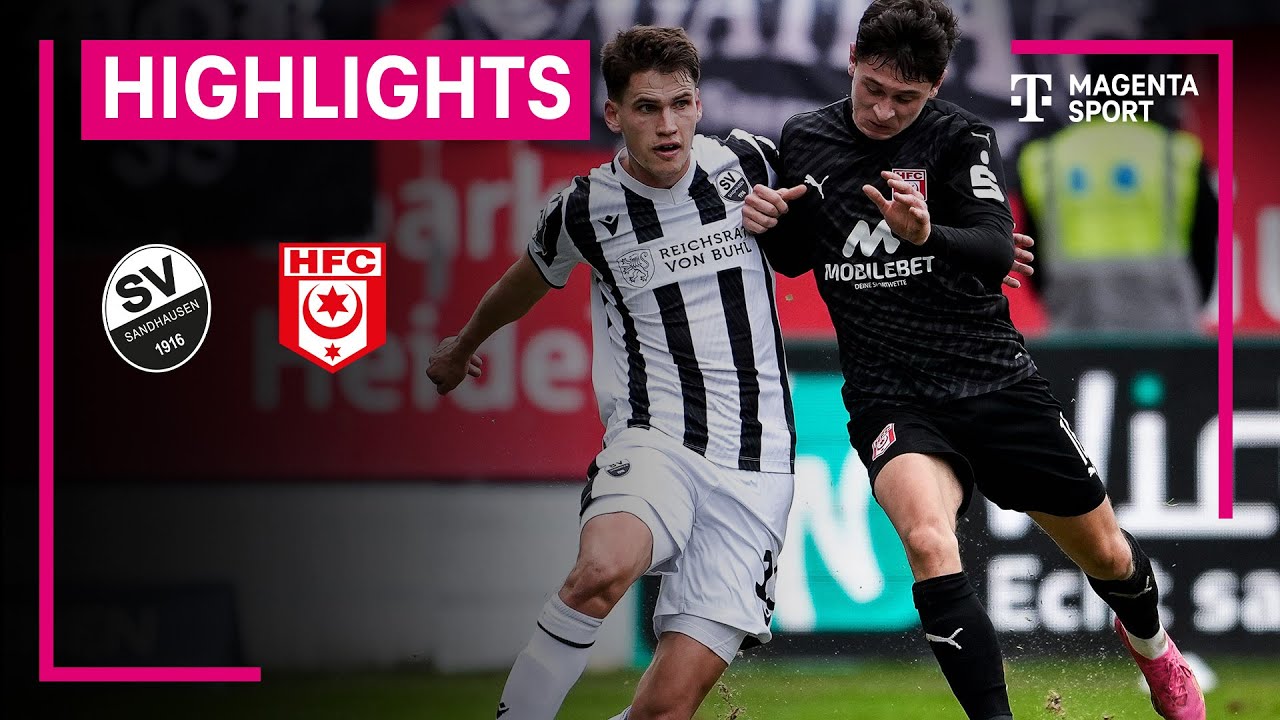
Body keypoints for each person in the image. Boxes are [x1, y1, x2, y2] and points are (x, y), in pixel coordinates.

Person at [742, 1, 1206, 719]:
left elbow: (995, 248)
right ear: (852, 60)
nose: (883, 110)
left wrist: (927, 234)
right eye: (873, 88)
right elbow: (800, 257)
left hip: (993, 382)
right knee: (929, 543)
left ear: (935, 86)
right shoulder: (805, 136)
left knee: (1109, 556)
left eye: (905, 98)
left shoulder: (960, 137)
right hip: (891, 394)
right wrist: (770, 225)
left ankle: (1154, 650)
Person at [427, 26, 800, 720]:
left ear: (699, 104)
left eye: (681, 105)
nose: (668, 126)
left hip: (758, 466)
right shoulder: (583, 209)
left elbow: (840, 213)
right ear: (614, 114)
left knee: (665, 711)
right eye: (647, 108)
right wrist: (462, 345)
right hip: (655, 439)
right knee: (600, 572)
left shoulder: (749, 162)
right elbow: (523, 283)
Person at [1014, 53, 1218, 334]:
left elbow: (1031, 251)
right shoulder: (1178, 153)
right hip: (1167, 329)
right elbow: (1205, 247)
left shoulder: (1046, 157)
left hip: (1076, 327)